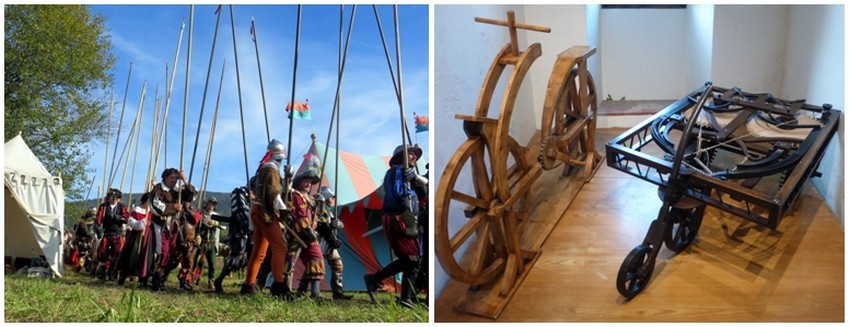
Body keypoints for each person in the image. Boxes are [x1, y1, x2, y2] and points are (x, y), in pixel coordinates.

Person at [364, 144, 426, 308]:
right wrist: (408, 216)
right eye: (409, 154)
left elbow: (424, 196)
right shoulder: (395, 172)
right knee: (413, 259)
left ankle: (375, 280)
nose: (413, 157)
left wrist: (416, 179)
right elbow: (397, 195)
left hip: (407, 217)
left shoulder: (411, 175)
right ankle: (405, 298)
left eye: (414, 154)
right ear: (401, 156)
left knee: (409, 260)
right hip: (398, 218)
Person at [241, 139, 292, 299]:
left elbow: (278, 190)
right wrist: (282, 210)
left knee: (259, 252)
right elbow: (273, 193)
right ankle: (279, 287)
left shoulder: (267, 168)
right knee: (280, 247)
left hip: (260, 210)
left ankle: (249, 285)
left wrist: (288, 178)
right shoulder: (270, 168)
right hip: (265, 211)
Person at [149, 168, 197, 291]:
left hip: (174, 226)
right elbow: (155, 206)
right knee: (163, 252)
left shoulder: (177, 191)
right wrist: (173, 207)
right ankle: (156, 277)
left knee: (172, 254)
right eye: (172, 178)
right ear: (165, 177)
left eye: (176, 179)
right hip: (161, 225)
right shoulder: (159, 189)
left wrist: (184, 180)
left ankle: (162, 278)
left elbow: (192, 195)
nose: (174, 181)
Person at [287, 170, 326, 300]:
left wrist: (320, 205)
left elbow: (318, 217)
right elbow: (299, 215)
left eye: (310, 182)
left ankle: (315, 293)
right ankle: (285, 290)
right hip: (296, 233)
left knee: (316, 259)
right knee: (289, 262)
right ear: (298, 182)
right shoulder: (295, 195)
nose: (308, 184)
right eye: (306, 180)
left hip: (310, 235)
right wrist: (307, 230)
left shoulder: (312, 199)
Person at [312, 186, 353, 300]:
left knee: (337, 265)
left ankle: (337, 292)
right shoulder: (319, 208)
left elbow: (331, 222)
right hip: (320, 241)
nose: (333, 199)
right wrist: (333, 239)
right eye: (331, 197)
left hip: (328, 244)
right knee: (314, 268)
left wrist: (338, 224)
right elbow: (322, 226)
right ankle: (303, 290)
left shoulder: (329, 210)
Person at [213, 186, 253, 294]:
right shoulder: (240, 191)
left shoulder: (261, 194)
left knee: (253, 258)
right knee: (235, 259)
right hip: (240, 231)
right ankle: (219, 281)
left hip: (254, 231)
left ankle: (250, 284)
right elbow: (240, 211)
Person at [116, 193, 156, 286]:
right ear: (146, 201)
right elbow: (131, 222)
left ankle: (143, 279)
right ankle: (124, 275)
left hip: (147, 237)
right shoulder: (137, 210)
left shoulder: (152, 212)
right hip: (136, 237)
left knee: (146, 257)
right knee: (131, 256)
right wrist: (140, 224)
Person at [94, 188, 129, 283]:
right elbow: (98, 220)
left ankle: (113, 274)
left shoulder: (122, 207)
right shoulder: (104, 207)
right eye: (112, 197)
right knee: (102, 252)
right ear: (109, 197)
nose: (114, 199)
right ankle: (102, 274)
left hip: (117, 233)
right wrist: (99, 229)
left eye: (116, 197)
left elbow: (126, 218)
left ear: (118, 198)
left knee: (117, 252)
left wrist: (119, 218)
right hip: (106, 233)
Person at [193, 197, 226, 289]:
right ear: (206, 204)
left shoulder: (216, 216)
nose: (211, 206)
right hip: (201, 242)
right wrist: (197, 234)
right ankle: (193, 278)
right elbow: (197, 225)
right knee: (197, 262)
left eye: (213, 204)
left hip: (211, 243)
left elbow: (219, 228)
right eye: (209, 204)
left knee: (212, 264)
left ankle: (211, 281)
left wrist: (216, 224)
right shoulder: (201, 214)